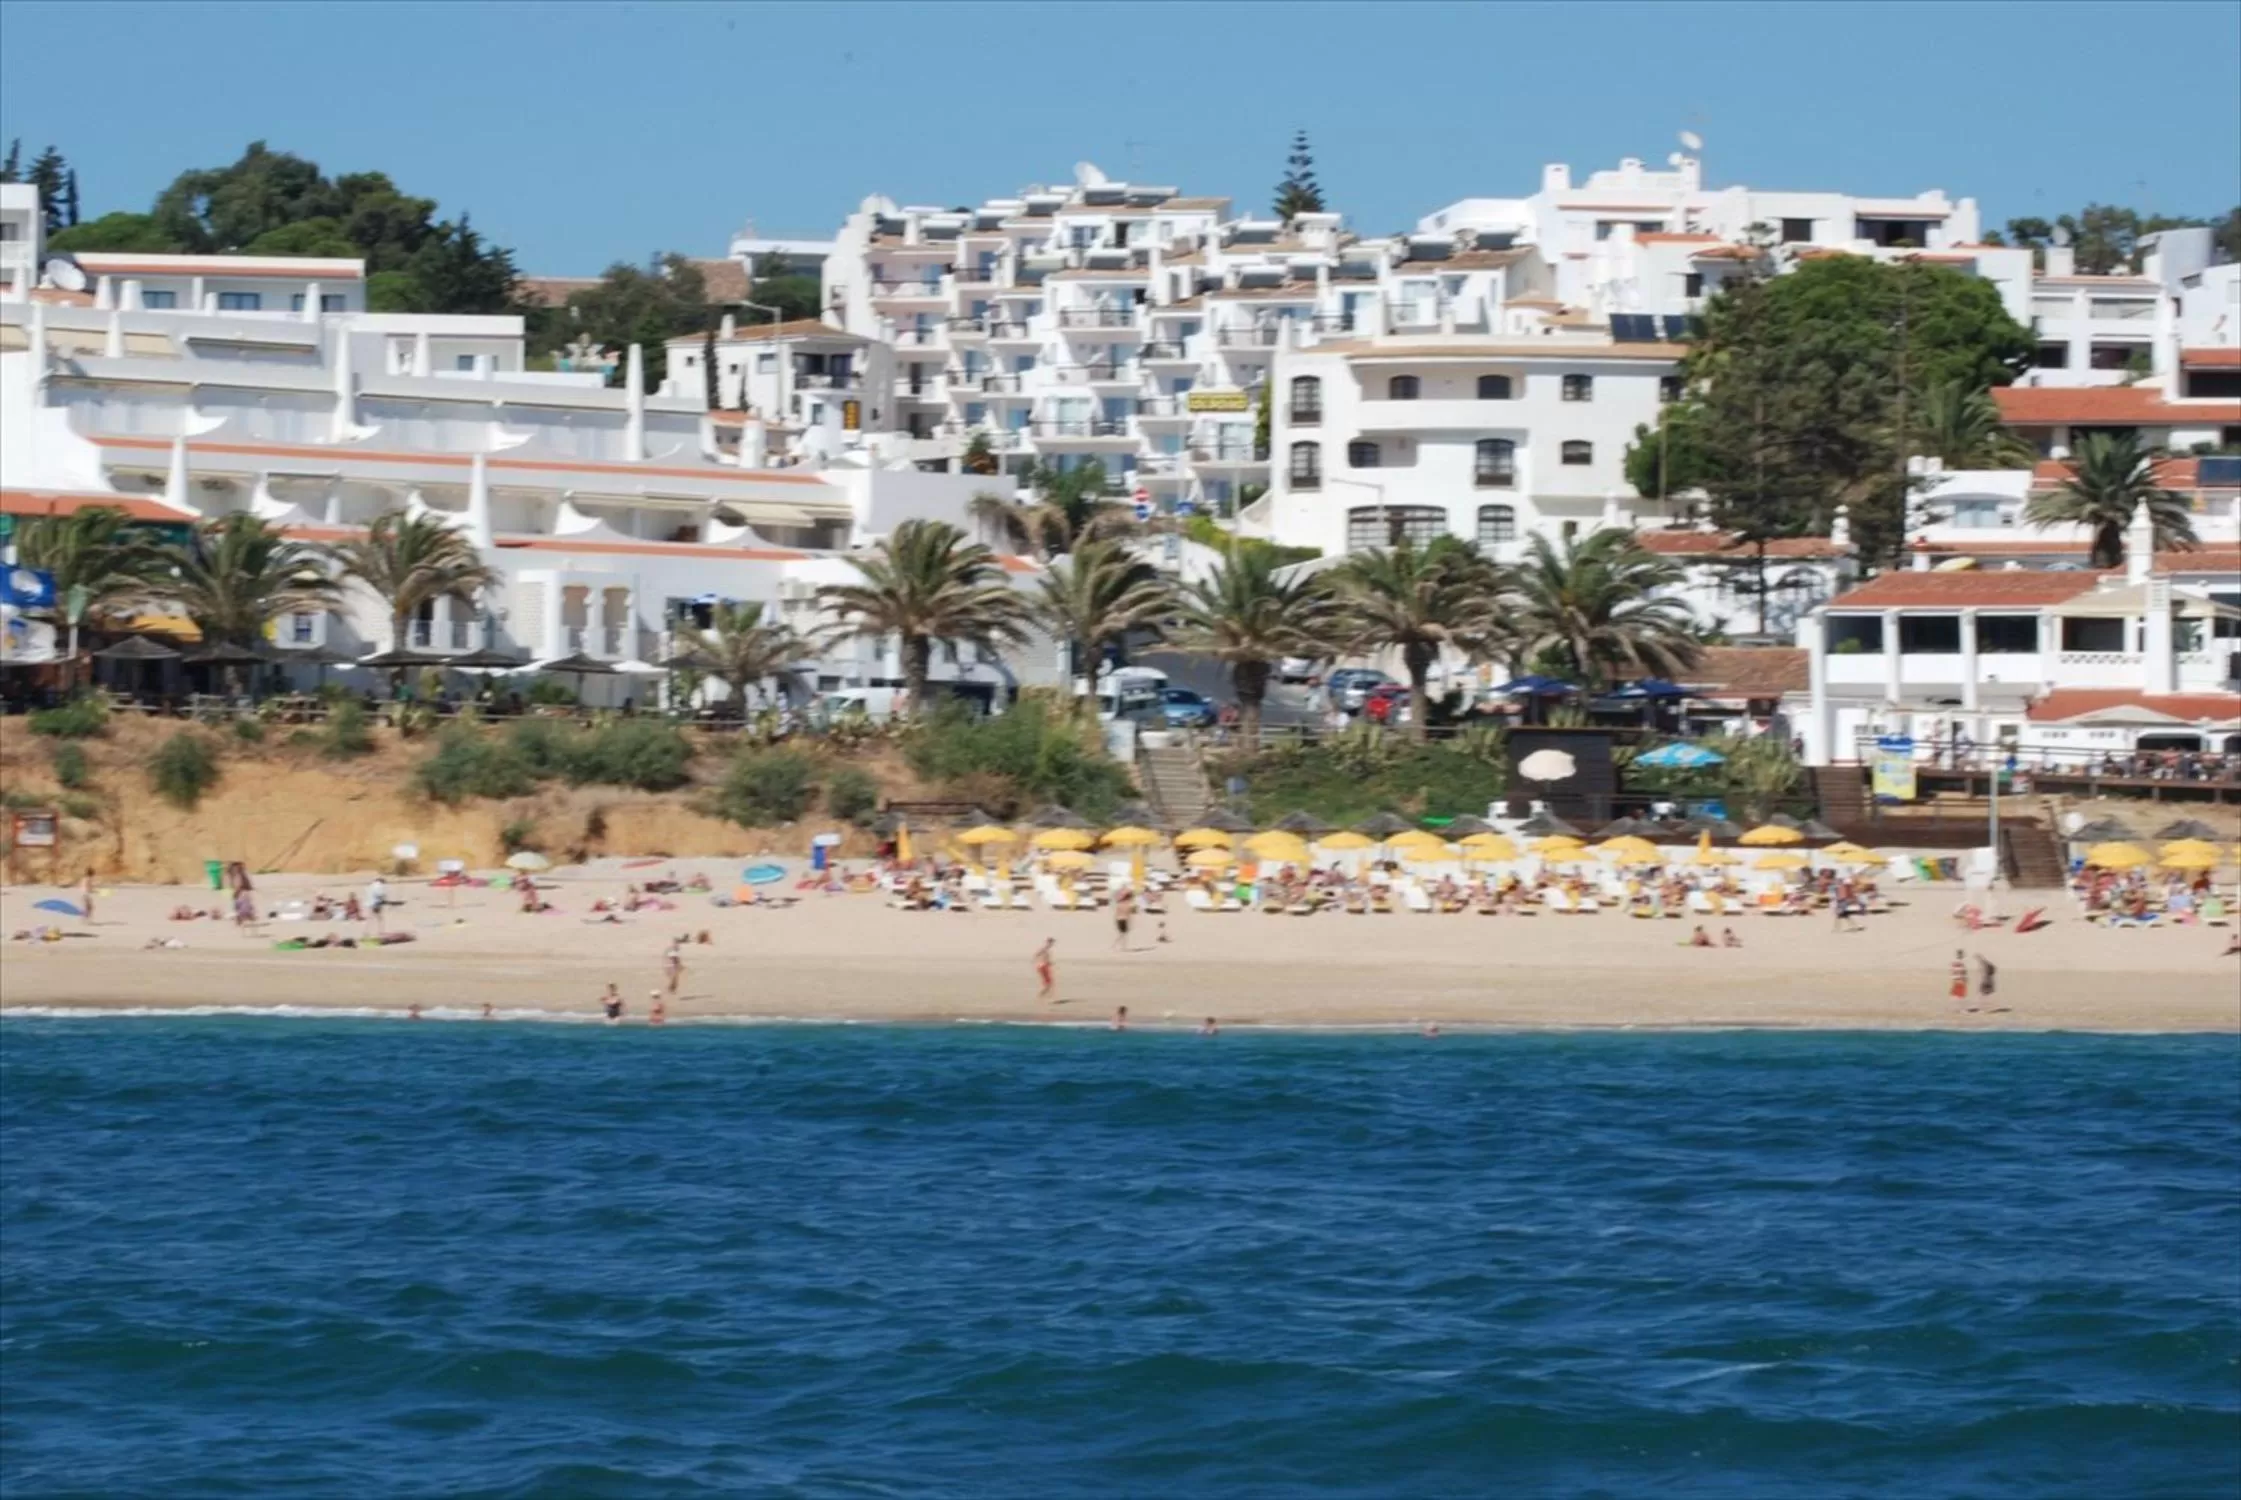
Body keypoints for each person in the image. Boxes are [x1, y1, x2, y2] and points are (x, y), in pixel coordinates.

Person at [1112, 887, 1135, 952]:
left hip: (1119, 919)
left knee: (1122, 934)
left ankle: (1117, 945)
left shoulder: (1120, 903)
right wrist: (1130, 922)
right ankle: (1121, 946)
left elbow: (1117, 913)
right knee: (1123, 934)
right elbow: (1128, 914)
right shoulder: (1128, 905)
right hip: (1124, 919)